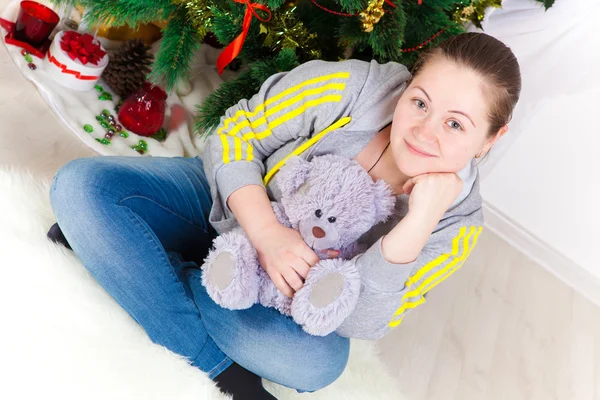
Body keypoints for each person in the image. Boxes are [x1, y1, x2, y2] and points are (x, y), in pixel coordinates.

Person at [48, 32, 521, 399]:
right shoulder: (351, 87)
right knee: (82, 187)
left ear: (490, 140)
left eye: (456, 124)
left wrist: (417, 223)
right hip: (227, 205)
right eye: (420, 101)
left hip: (282, 298)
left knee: (317, 366)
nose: (423, 131)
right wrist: (265, 230)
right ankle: (215, 363)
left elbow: (358, 322)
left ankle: (133, 260)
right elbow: (236, 135)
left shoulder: (456, 228)